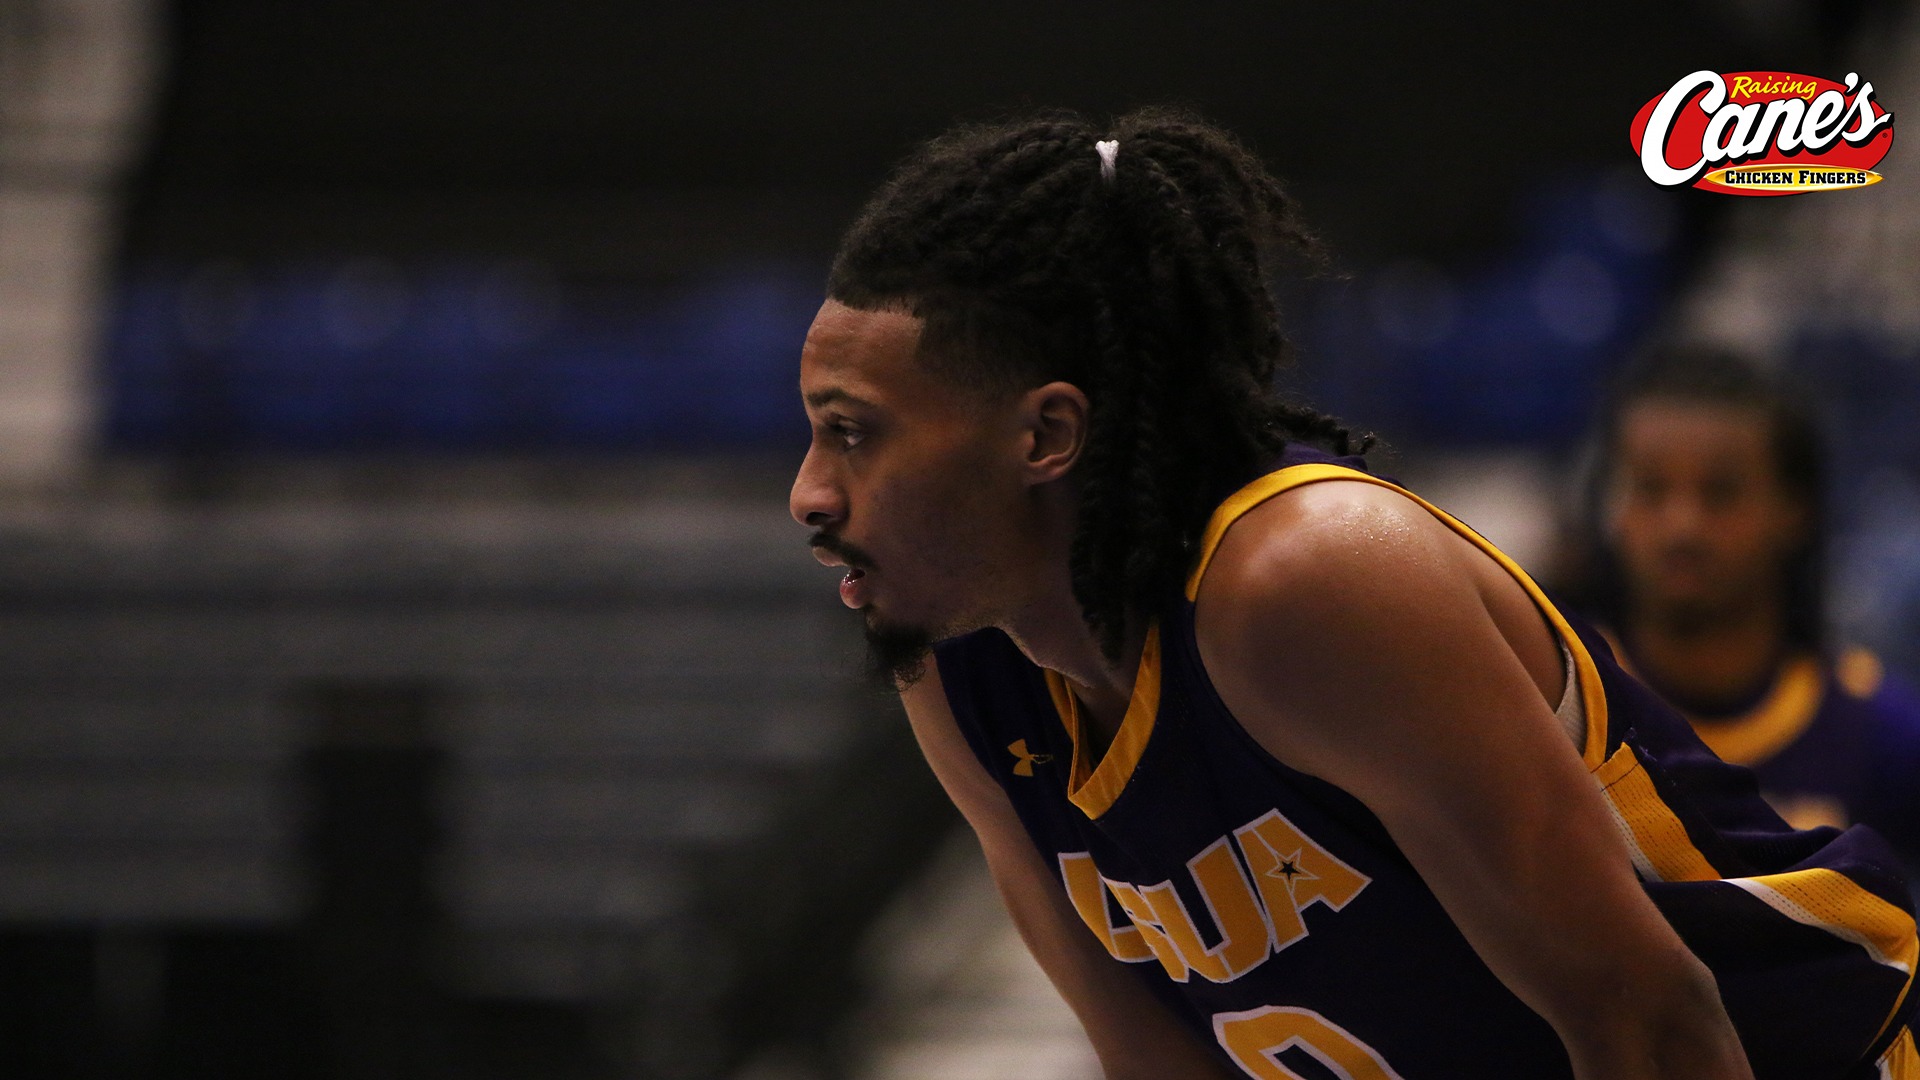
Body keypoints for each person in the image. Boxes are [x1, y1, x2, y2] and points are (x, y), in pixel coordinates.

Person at [788, 109, 1917, 1080]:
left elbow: (1653, 1026)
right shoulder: (963, 671)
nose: (810, 496)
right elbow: (1159, 1061)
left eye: (853, 434)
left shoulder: (1301, 582)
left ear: (1046, 433)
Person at [1580, 346, 1920, 871]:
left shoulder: (1883, 736)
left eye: (1721, 492)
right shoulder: (1554, 705)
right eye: (1650, 489)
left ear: (1796, 511)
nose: (1682, 527)